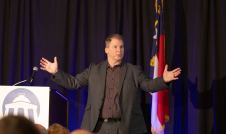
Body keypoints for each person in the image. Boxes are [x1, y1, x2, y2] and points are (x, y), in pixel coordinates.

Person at [40, 34, 181, 134]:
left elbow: (148, 85)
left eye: (121, 47)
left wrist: (164, 79)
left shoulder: (133, 71)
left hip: (125, 127)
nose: (119, 50)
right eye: (115, 47)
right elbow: (74, 83)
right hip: (99, 127)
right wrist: (56, 72)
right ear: (106, 49)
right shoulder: (94, 70)